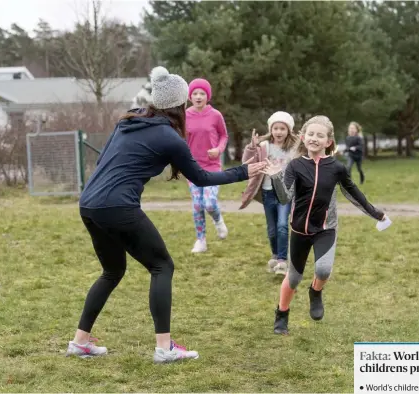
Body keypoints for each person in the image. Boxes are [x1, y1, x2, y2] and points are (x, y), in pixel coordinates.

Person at [66, 66, 268, 363]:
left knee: (112, 271)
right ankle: (164, 348)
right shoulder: (169, 137)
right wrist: (244, 171)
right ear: (180, 105)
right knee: (162, 266)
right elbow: (200, 177)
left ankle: (80, 342)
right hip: (118, 206)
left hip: (89, 204)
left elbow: (105, 158)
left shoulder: (129, 119)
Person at [260, 115, 390, 335]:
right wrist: (275, 178)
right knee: (293, 278)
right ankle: (282, 313)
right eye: (311, 134)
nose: (314, 138)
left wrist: (376, 214)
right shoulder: (295, 165)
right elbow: (285, 198)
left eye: (320, 135)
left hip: (325, 229)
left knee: (323, 269)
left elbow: (353, 193)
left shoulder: (336, 167)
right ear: (303, 137)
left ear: (328, 141)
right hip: (299, 229)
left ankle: (315, 291)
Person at [239, 111, 300, 275]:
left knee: (282, 225)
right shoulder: (264, 146)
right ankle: (275, 255)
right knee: (272, 229)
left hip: (284, 193)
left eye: (282, 128)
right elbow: (247, 161)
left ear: (288, 130)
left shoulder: (293, 149)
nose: (279, 132)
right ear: (271, 129)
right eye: (276, 128)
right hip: (267, 192)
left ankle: (282, 260)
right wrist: (251, 147)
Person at [185, 78, 230, 253]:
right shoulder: (185, 115)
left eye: (202, 93)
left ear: (207, 96)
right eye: (195, 93)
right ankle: (201, 240)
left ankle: (218, 221)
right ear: (190, 96)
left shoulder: (215, 115)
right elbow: (180, 139)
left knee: (209, 203)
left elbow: (224, 136)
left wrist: (218, 150)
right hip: (192, 167)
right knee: (197, 204)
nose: (198, 96)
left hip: (212, 167)